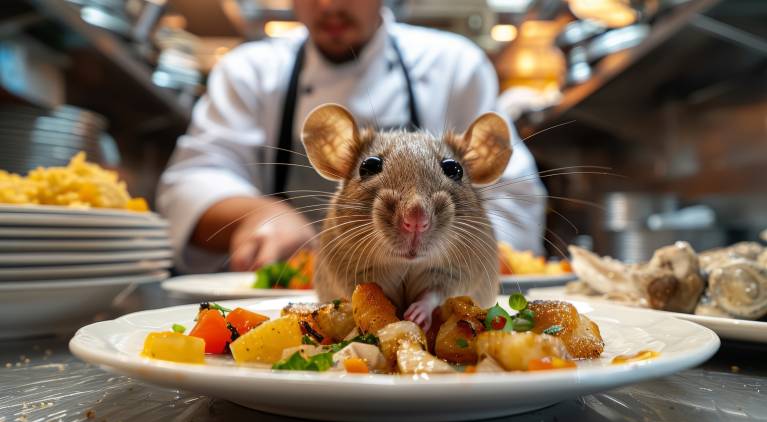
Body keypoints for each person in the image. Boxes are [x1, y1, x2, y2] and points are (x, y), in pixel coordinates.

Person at [157, 0, 547, 274]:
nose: (328, 5)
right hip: (288, 295)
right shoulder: (248, 71)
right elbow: (192, 180)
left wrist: (438, 265)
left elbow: (516, 200)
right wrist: (258, 215)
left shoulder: (453, 65)